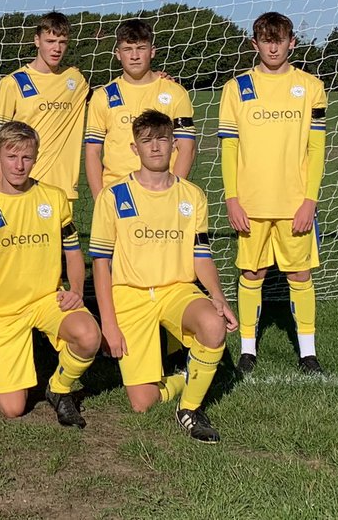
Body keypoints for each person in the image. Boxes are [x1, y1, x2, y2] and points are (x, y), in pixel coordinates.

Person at [91, 110, 239, 443]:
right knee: (142, 403)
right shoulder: (113, 196)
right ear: (134, 148)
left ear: (174, 144)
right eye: (147, 141)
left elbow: (201, 255)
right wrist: (109, 324)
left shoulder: (192, 196)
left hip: (177, 290)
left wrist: (217, 296)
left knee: (214, 324)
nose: (155, 147)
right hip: (130, 295)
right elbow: (101, 263)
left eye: (162, 139)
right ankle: (190, 374)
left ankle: (189, 409)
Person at [0, 121, 101, 425]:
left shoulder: (53, 198)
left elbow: (73, 252)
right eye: (11, 156)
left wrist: (76, 289)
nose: (19, 165)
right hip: (3, 312)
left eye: (27, 157)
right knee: (13, 409)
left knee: (89, 336)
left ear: (36, 157)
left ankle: (58, 387)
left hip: (46, 299)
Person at [219, 12, 327, 375]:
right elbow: (229, 148)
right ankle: (248, 349)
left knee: (300, 276)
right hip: (250, 203)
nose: (273, 46)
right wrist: (232, 198)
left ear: (291, 43)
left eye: (279, 40)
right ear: (255, 44)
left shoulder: (310, 86)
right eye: (266, 40)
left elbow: (316, 149)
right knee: (253, 273)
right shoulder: (237, 88)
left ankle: (308, 353)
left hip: (295, 202)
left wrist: (309, 201)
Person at [84, 18, 196, 199]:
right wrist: (100, 200)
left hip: (163, 192)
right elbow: (92, 152)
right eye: (127, 49)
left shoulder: (175, 92)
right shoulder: (103, 96)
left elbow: (186, 147)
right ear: (118, 54)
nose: (134, 56)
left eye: (141, 48)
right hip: (117, 193)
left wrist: (172, 192)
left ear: (152, 52)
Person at [0, 12, 88, 203]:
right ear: (37, 40)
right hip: (24, 184)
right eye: (50, 41)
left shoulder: (76, 80)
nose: (56, 48)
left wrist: (157, 76)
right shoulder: (13, 82)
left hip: (63, 187)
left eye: (62, 42)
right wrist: (3, 184)